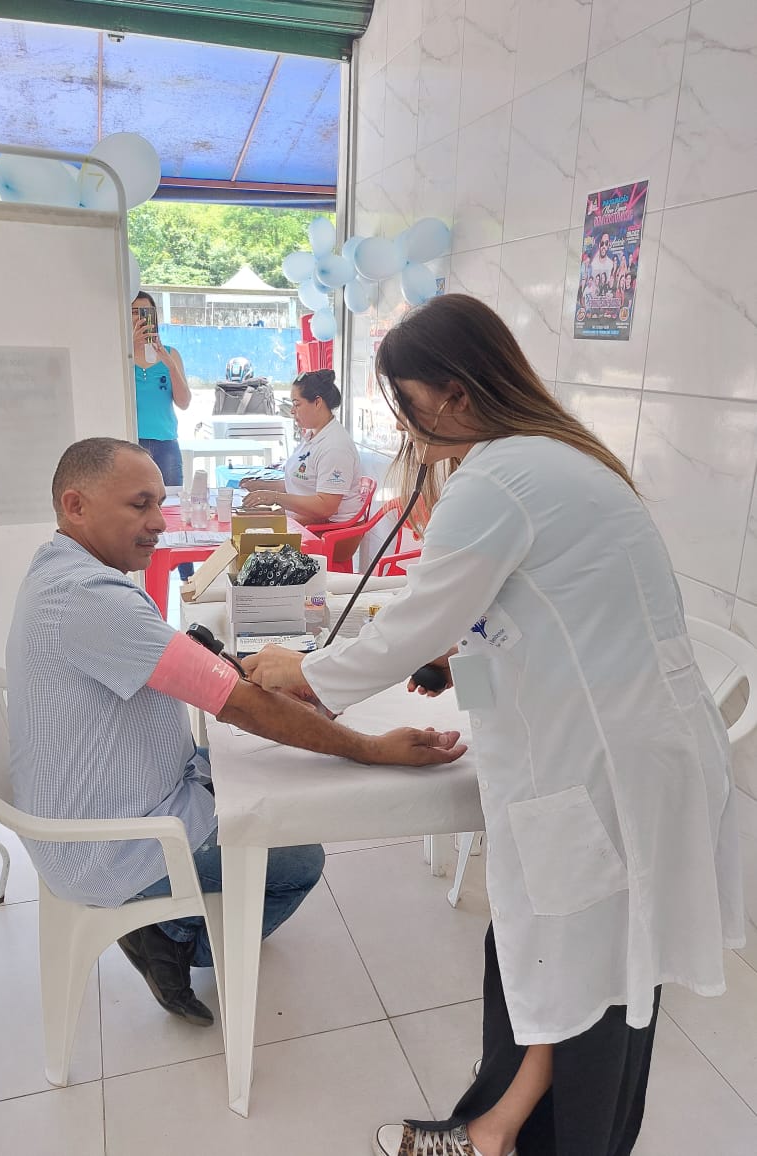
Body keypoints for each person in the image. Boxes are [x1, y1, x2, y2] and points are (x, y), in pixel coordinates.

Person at [243, 294, 744, 1156]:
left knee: (578, 973)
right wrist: (454, 669)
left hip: (600, 771)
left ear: (455, 393)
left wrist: (306, 674)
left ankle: (506, 1136)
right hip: (634, 752)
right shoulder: (555, 458)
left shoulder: (498, 481)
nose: (404, 425)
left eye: (407, 402)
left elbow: (414, 623)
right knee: (563, 962)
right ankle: (494, 1130)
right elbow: (522, 614)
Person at [6, 437, 465, 1026]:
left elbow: (211, 678)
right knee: (298, 859)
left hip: (104, 804)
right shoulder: (90, 598)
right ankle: (165, 933)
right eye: (140, 505)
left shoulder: (62, 571)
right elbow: (236, 704)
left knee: (264, 772)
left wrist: (269, 683)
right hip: (112, 844)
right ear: (76, 505)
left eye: (158, 503)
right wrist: (371, 749)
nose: (158, 522)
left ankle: (169, 925)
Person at [241, 369, 363, 526]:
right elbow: (300, 483)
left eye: (297, 404)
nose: (292, 411)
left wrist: (275, 497)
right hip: (306, 519)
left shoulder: (335, 447)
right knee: (242, 520)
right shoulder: (313, 435)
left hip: (330, 529)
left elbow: (326, 507)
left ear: (317, 403)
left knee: (251, 529)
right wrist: (261, 486)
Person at [132, 291, 191, 487]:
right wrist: (130, 347)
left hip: (166, 443)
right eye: (134, 312)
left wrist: (170, 365)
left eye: (146, 312)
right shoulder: (119, 355)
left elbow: (184, 403)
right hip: (130, 442)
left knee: (171, 498)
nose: (140, 318)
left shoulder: (170, 354)